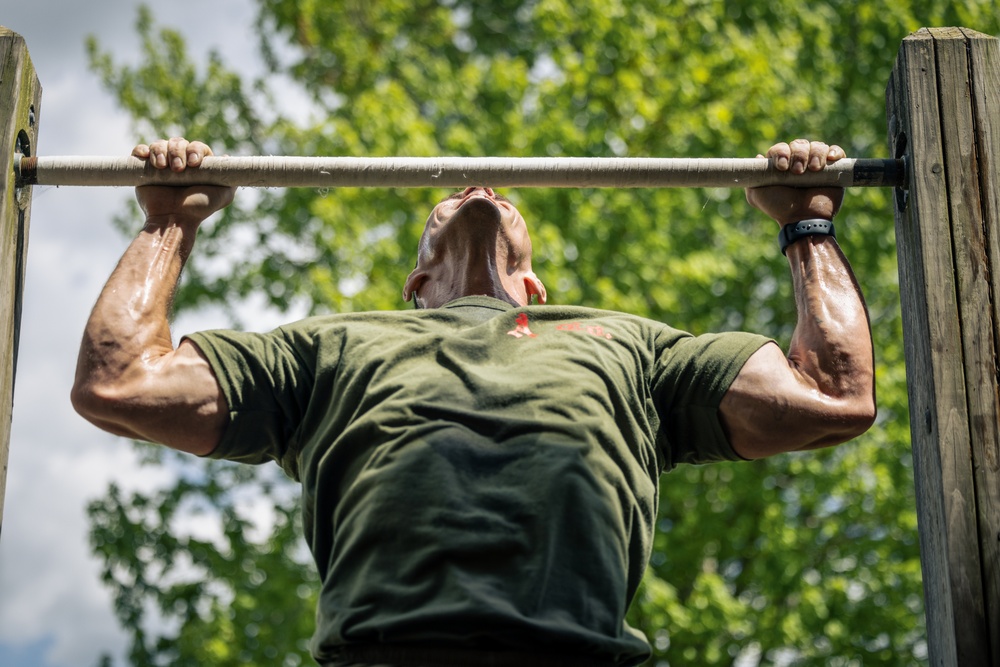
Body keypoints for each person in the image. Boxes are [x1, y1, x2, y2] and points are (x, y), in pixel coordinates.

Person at [71, 137, 875, 667]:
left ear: (535, 286)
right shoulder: (332, 346)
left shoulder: (627, 343)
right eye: (444, 201)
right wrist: (170, 222)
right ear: (416, 283)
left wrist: (807, 225)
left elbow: (830, 393)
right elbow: (121, 381)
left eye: (491, 191)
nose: (476, 184)